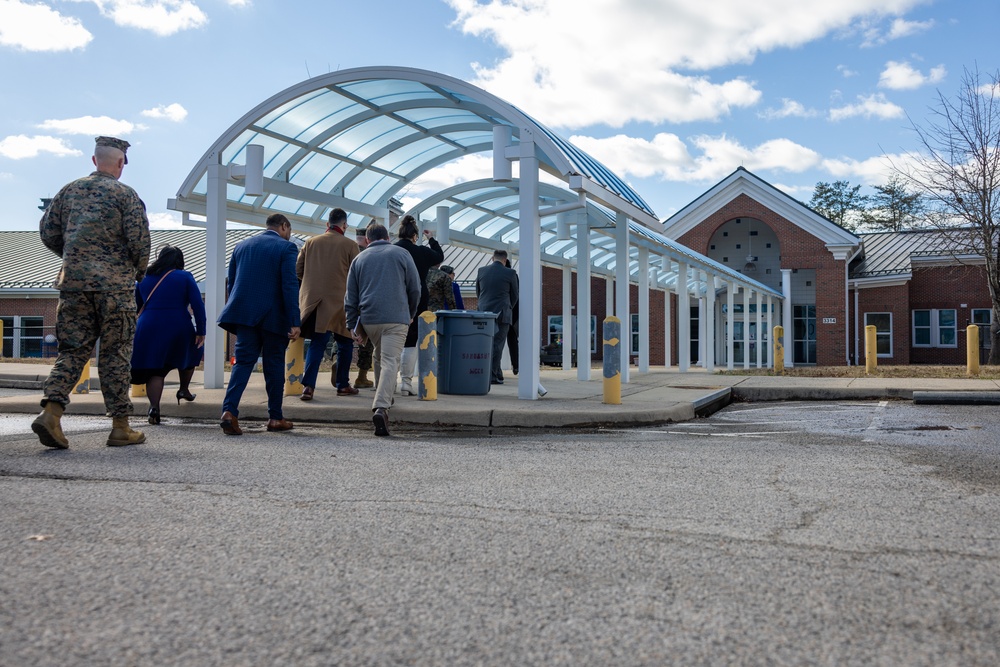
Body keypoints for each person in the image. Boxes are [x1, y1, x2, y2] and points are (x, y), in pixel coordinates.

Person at [32, 136, 151, 449]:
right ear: (120, 164)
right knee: (116, 353)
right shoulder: (126, 194)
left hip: (73, 284)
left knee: (72, 350)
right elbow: (139, 242)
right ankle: (120, 426)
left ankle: (52, 414)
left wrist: (75, 258)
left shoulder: (68, 191)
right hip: (114, 287)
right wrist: (135, 272)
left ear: (94, 160)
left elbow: (48, 232)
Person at [217, 213, 301, 435]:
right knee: (273, 366)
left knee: (242, 363)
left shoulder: (242, 246)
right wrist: (294, 320)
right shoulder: (286, 248)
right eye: (289, 231)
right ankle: (275, 418)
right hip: (274, 317)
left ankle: (229, 412)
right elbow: (290, 285)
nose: (289, 235)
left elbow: (233, 283)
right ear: (284, 226)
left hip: (244, 315)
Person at [345, 222, 420, 436]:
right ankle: (381, 407)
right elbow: (415, 287)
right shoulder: (402, 253)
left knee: (379, 356)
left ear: (367, 240)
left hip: (369, 319)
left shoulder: (359, 259)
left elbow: (350, 296)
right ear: (388, 237)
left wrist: (352, 324)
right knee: (390, 360)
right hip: (396, 317)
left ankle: (383, 395)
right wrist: (411, 313)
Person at [130, 245, 206, 425]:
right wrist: (201, 331)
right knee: (190, 354)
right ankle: (183, 389)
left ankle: (154, 407)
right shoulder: (185, 276)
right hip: (178, 324)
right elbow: (197, 305)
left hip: (148, 325)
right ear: (179, 261)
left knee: (156, 369)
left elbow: (135, 305)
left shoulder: (144, 277)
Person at [296, 208, 360, 401]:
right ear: (344, 225)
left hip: (315, 302)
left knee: (317, 343)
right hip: (341, 302)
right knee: (345, 344)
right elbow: (357, 276)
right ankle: (342, 385)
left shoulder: (310, 242)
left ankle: (308, 387)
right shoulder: (350, 245)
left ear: (327, 224)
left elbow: (298, 270)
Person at [394, 215, 443, 395]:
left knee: (392, 340)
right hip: (418, 299)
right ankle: (406, 384)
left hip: (395, 298)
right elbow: (439, 256)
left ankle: (388, 383)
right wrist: (431, 239)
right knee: (410, 341)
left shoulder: (392, 250)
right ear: (415, 236)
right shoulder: (421, 251)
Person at [475, 249, 518, 386]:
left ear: (492, 258)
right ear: (505, 260)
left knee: (485, 344)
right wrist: (507, 306)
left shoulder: (481, 271)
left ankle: (496, 372)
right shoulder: (511, 273)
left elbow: (478, 292)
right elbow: (515, 295)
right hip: (502, 313)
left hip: (484, 313)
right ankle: (492, 376)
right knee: (498, 345)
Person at [352, 223, 375, 389]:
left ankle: (339, 362)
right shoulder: (369, 254)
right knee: (366, 342)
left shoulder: (349, 250)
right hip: (366, 302)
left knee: (345, 335)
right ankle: (361, 376)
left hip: (347, 301)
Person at [504, 258, 519, 375]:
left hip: (507, 312)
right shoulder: (514, 276)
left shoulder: (509, 275)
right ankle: (516, 365)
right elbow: (515, 295)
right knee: (512, 340)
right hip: (514, 313)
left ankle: (494, 369)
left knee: (497, 340)